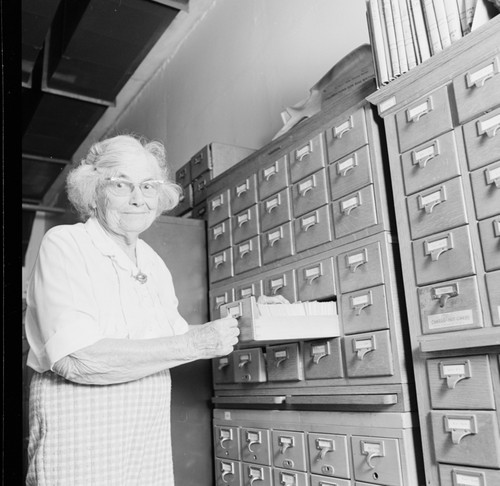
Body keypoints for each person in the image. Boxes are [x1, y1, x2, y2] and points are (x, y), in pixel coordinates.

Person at [24, 134, 240, 485]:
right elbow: (76, 359)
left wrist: (247, 319)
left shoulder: (153, 263)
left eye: (149, 186)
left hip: (144, 438)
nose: (139, 199)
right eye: (122, 185)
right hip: (82, 439)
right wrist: (193, 345)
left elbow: (176, 339)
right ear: (93, 192)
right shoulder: (66, 244)